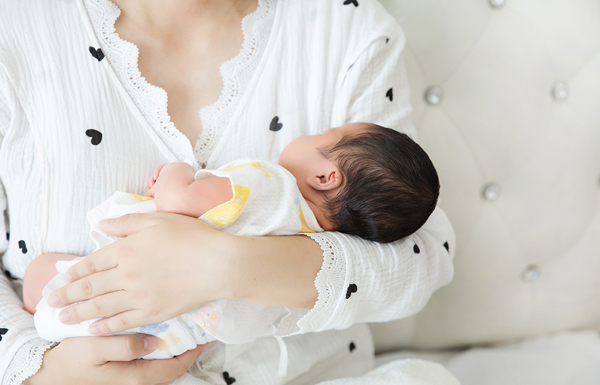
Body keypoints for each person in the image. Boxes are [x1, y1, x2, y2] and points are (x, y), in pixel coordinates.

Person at [0, 0, 455, 385]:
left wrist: (225, 265)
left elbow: (421, 255)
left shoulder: (346, 27)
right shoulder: (16, 29)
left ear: (326, 174)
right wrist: (35, 365)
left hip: (308, 384)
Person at [23, 122, 440, 361]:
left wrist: (174, 170)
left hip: (120, 289)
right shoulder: (308, 240)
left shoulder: (270, 187)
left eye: (321, 136)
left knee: (42, 277)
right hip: (173, 339)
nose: (308, 134)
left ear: (325, 177)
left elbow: (180, 199)